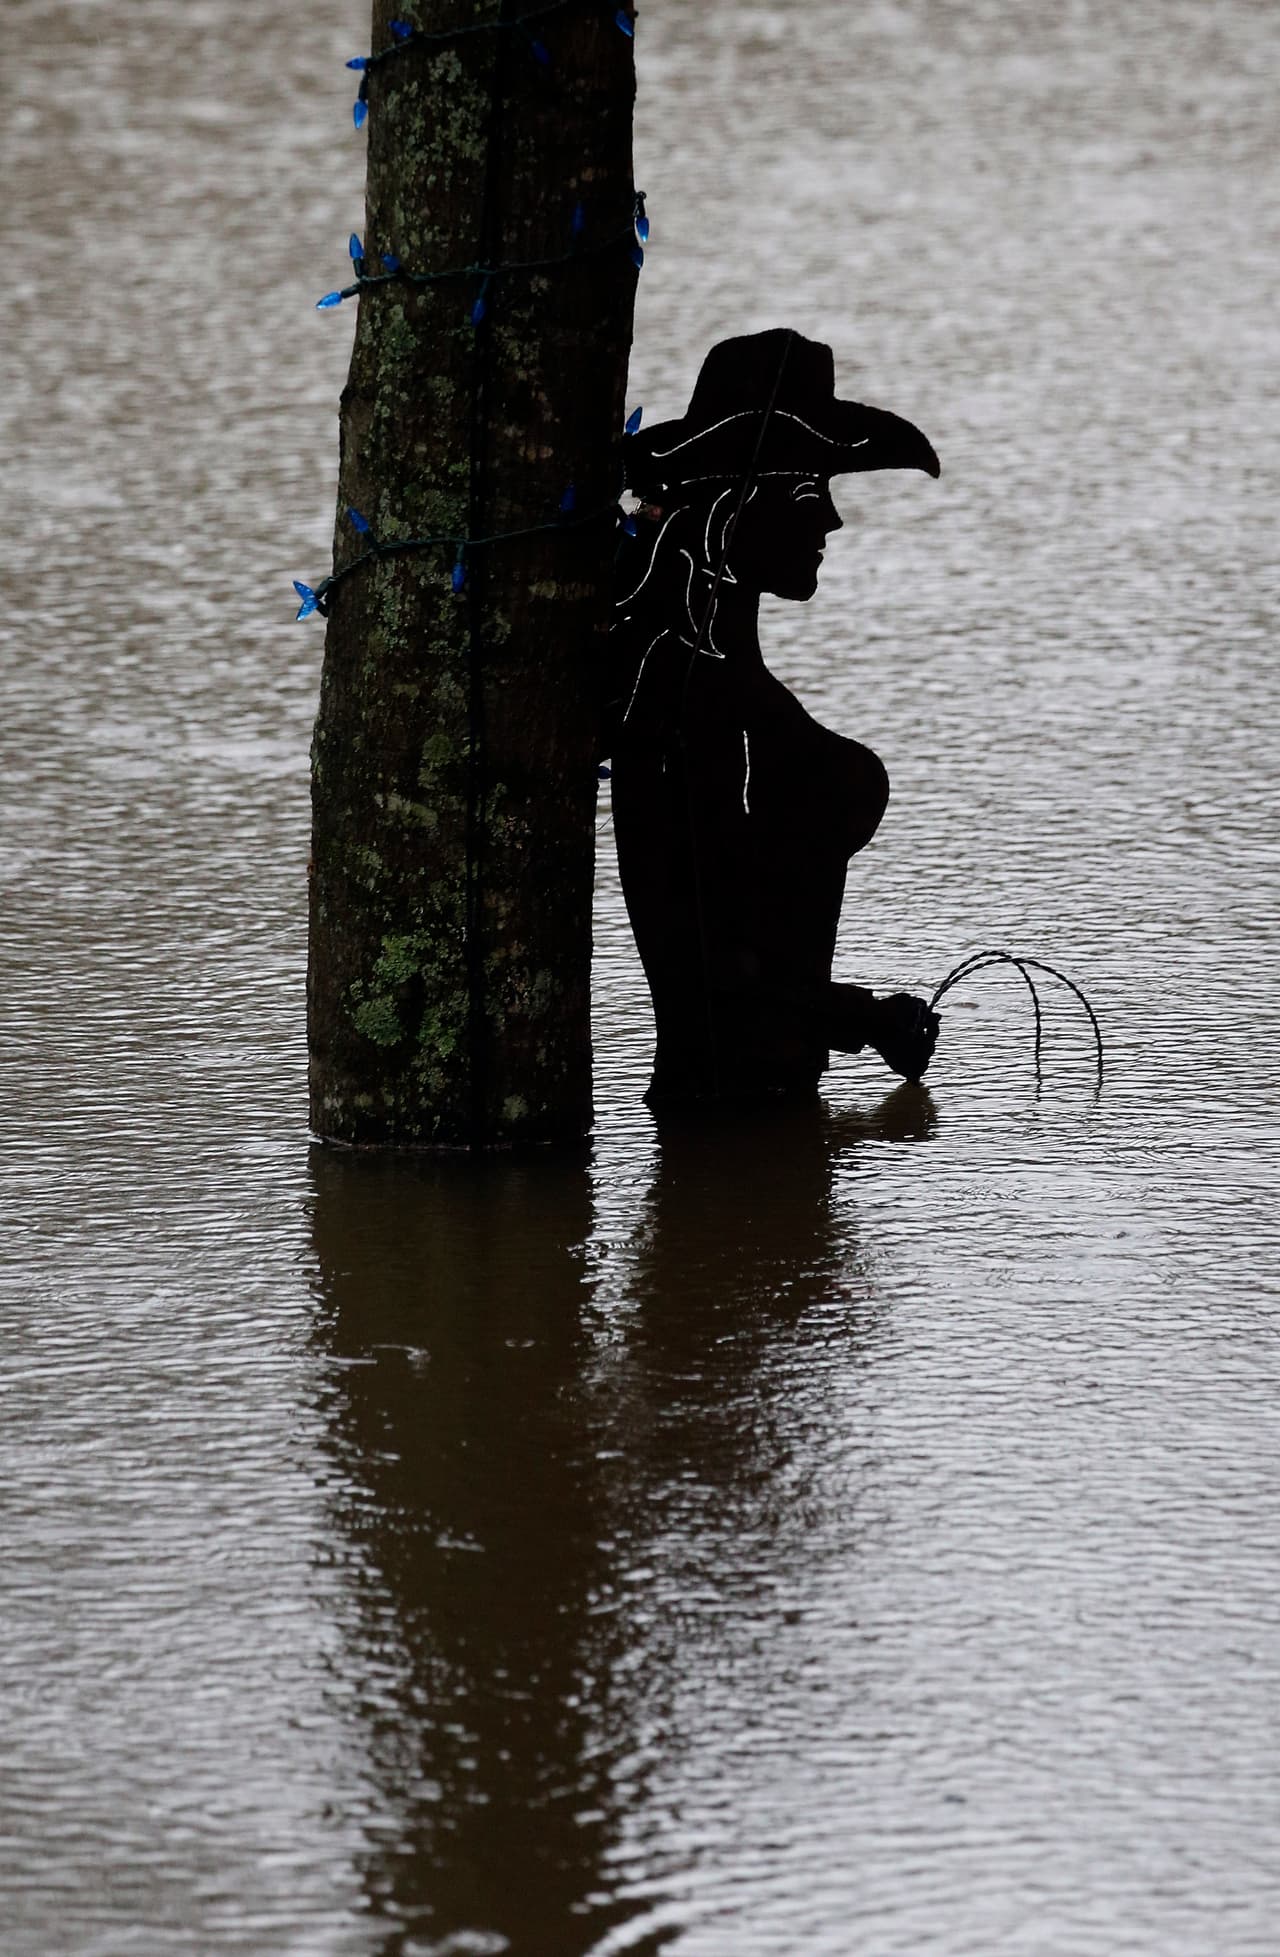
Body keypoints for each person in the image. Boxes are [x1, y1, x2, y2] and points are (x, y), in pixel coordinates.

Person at [603, 328, 942, 1110]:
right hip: (721, 1109)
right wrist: (868, 1018)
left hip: (773, 1111)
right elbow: (709, 978)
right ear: (734, 511)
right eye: (806, 495)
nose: (832, 520)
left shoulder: (735, 680)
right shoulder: (675, 698)